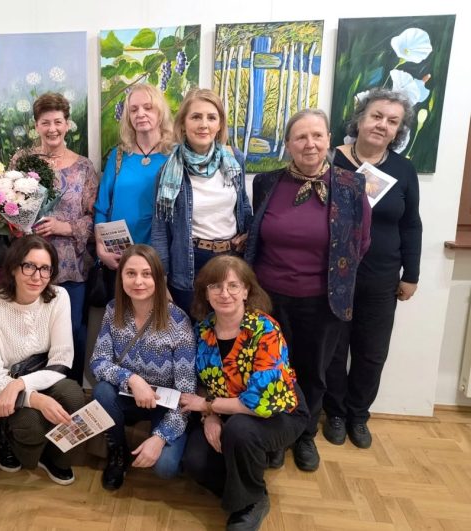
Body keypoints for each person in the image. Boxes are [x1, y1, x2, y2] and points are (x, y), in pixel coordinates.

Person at [244, 108, 371, 472]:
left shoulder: (350, 185)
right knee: (269, 369)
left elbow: (361, 242)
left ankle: (303, 436)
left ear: (329, 139)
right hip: (268, 298)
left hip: (322, 299)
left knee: (312, 371)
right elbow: (257, 235)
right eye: (301, 137)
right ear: (288, 144)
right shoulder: (266, 183)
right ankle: (274, 436)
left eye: (317, 135)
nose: (310, 144)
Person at [323, 89, 422, 449]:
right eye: (377, 116)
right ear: (360, 119)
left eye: (392, 121)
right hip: (335, 274)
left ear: (398, 130)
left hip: (381, 278)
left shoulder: (403, 169)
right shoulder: (332, 160)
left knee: (372, 351)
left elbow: (411, 224)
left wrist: (411, 275)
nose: (383, 125)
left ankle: (358, 415)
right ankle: (334, 413)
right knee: (334, 349)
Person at [180, 256, 307, 531]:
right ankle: (246, 474)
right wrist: (209, 417)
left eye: (233, 286)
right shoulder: (202, 330)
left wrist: (209, 406)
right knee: (195, 463)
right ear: (206, 293)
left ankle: (253, 500)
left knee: (240, 430)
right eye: (215, 286)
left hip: (279, 411)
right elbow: (200, 380)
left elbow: (259, 403)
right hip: (225, 408)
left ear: (247, 291)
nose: (224, 293)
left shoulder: (265, 329)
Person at [0, 235, 85, 485]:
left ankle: (55, 456)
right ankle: (4, 436)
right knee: (31, 424)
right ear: (13, 268)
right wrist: (36, 399)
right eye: (29, 266)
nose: (37, 276)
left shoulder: (59, 297)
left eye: (45, 269)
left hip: (37, 378)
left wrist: (21, 384)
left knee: (74, 396)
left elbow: (62, 360)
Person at [90, 244, 196, 490]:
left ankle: (169, 438)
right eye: (131, 273)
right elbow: (98, 361)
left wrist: (159, 438)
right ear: (121, 278)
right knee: (102, 391)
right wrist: (133, 380)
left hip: (164, 403)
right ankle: (118, 450)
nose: (138, 281)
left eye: (146, 274)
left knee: (166, 467)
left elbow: (186, 394)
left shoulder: (178, 321)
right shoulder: (113, 310)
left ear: (158, 278)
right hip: (128, 395)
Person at [11, 92, 98, 384]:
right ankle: (36, 390)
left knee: (71, 332)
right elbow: (9, 208)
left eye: (58, 122)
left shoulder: (84, 167)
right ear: (36, 125)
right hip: (30, 266)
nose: (52, 129)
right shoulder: (21, 162)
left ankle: (70, 391)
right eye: (45, 122)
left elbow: (95, 218)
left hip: (72, 267)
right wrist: (19, 224)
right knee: (31, 333)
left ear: (67, 124)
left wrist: (65, 227)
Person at [150, 88, 252, 314]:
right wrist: (161, 279)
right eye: (196, 117)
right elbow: (160, 229)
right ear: (183, 124)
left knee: (226, 328)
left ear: (219, 125)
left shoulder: (234, 159)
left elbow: (243, 205)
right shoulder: (168, 170)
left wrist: (248, 233)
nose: (204, 124)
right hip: (189, 261)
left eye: (211, 117)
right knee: (191, 328)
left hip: (230, 259)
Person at [94, 84, 174, 293]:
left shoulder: (174, 156)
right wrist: (101, 249)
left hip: (157, 257)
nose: (140, 114)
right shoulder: (118, 156)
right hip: (118, 256)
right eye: (134, 109)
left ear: (160, 112)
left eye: (148, 107)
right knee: (118, 311)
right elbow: (102, 207)